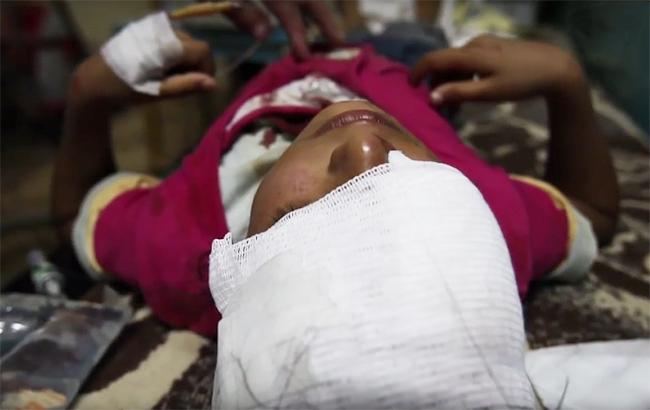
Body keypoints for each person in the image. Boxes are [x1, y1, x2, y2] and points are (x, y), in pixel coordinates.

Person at [52, 9, 619, 337]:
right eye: (414, 199)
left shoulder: (181, 251)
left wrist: (87, 97)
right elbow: (591, 214)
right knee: (411, 34)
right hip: (400, 68)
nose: (365, 145)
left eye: (313, 218)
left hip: (276, 67)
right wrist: (564, 83)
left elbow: (76, 216)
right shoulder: (487, 226)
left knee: (296, 29)